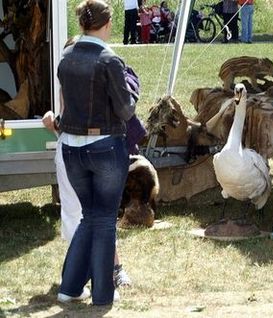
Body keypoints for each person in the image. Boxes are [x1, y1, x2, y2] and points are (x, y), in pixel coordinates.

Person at [56, 0, 135, 305]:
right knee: (103, 220)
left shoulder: (66, 57)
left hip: (72, 150)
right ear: (107, 24)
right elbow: (126, 110)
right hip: (104, 147)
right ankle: (103, 294)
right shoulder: (109, 59)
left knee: (90, 217)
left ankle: (70, 288)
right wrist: (133, 89)